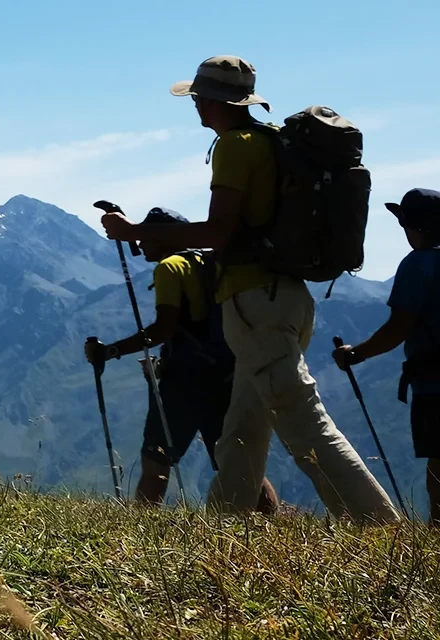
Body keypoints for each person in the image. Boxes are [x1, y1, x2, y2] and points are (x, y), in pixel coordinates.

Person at [100, 55, 398, 522]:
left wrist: (135, 230)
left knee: (305, 423)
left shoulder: (235, 146)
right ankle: (225, 527)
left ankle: (380, 529)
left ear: (212, 99)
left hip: (255, 300)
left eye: (198, 96)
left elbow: (219, 233)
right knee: (243, 426)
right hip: (288, 297)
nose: (195, 104)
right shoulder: (270, 141)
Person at [86, 208, 278, 511]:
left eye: (147, 237)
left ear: (162, 237)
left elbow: (163, 329)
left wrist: (110, 351)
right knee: (239, 466)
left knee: (156, 463)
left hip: (184, 382)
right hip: (227, 377)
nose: (141, 244)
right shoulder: (212, 263)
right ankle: (271, 526)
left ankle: (141, 533)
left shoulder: (169, 268)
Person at [333, 188, 440, 525]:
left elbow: (398, 328)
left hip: (435, 384)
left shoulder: (417, 265)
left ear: (415, 227)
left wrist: (355, 354)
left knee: (439, 465)